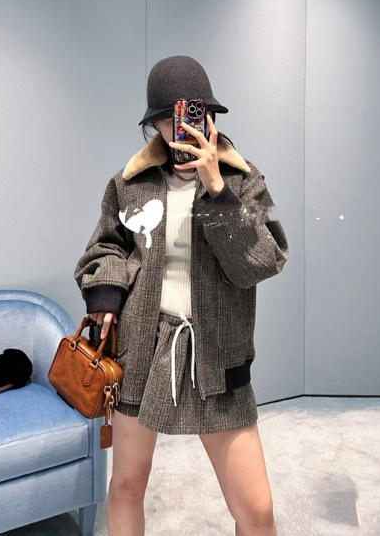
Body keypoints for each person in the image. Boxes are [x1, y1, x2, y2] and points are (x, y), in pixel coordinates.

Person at [75, 55, 289, 536]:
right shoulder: (129, 183)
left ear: (209, 115)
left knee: (257, 511)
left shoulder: (244, 180)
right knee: (127, 486)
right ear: (154, 123)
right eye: (169, 118)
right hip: (141, 351)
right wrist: (106, 295)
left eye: (194, 113)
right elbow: (105, 246)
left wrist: (216, 188)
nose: (183, 127)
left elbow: (261, 261)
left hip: (217, 353)